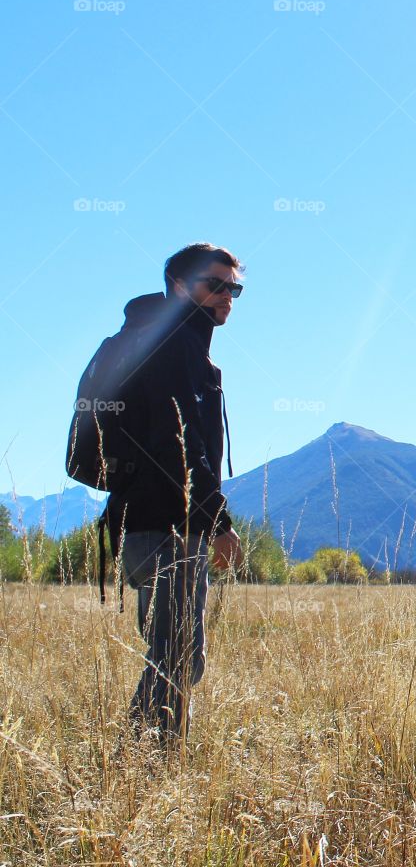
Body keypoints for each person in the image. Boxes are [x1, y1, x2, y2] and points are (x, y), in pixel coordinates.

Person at [109, 242, 244, 746]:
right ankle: (144, 762)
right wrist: (219, 523)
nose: (227, 295)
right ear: (180, 285)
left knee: (170, 653)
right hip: (170, 531)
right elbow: (182, 447)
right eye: (217, 284)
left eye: (235, 287)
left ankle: (142, 760)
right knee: (180, 657)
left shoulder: (153, 340)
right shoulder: (175, 347)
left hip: (139, 526)